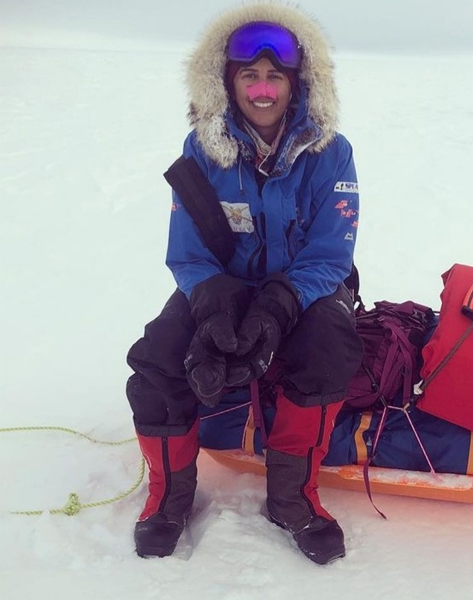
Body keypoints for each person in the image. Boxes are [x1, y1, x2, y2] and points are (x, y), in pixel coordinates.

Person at [125, 2, 363, 565]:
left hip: (307, 285)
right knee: (159, 353)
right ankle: (169, 497)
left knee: (329, 344)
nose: (262, 88)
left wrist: (281, 303)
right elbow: (187, 252)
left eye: (275, 76)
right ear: (226, 82)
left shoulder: (333, 152)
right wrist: (212, 304)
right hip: (220, 284)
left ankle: (292, 498)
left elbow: (331, 250)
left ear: (297, 83)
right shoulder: (200, 152)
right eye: (249, 75)